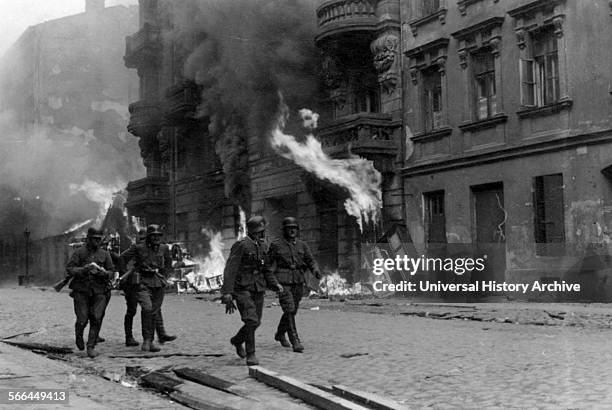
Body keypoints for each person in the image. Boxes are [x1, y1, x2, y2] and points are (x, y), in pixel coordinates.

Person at [221, 215, 283, 366]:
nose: (264, 233)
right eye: (262, 230)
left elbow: (266, 269)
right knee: (251, 320)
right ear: (255, 231)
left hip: (258, 287)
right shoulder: (241, 245)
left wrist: (275, 284)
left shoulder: (262, 246)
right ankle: (251, 354)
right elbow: (230, 269)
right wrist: (227, 292)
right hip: (242, 288)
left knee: (256, 322)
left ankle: (237, 340)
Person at [268, 217, 321, 353]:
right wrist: (272, 282)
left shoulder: (302, 245)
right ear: (284, 230)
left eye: (294, 228)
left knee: (292, 310)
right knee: (289, 309)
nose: (292, 230)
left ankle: (280, 334)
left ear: (297, 230)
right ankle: (295, 341)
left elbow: (310, 260)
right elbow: (268, 265)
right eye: (289, 228)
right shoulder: (276, 245)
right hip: (283, 282)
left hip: (298, 281)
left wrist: (315, 270)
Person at [120, 224, 175, 352]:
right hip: (142, 282)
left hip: (158, 282)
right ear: (148, 237)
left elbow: (169, 264)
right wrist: (126, 274)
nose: (156, 238)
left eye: (158, 236)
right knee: (147, 308)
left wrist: (165, 275)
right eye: (153, 236)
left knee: (154, 311)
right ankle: (146, 340)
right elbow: (123, 258)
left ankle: (150, 341)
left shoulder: (164, 248)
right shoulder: (138, 248)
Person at [65, 227, 114, 358]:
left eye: (99, 239)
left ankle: (91, 346)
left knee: (97, 318)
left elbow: (111, 272)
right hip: (82, 289)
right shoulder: (79, 253)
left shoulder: (105, 254)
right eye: (94, 239)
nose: (97, 242)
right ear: (89, 239)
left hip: (99, 290)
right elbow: (70, 268)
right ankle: (79, 334)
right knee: (82, 319)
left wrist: (103, 273)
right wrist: (83, 269)